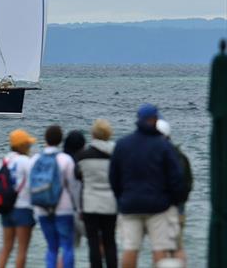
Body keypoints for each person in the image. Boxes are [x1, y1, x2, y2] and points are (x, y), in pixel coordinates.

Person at [109, 104, 186, 268]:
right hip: (158, 206)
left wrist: (121, 198)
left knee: (130, 249)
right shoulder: (164, 146)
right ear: (155, 120)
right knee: (160, 248)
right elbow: (176, 178)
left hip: (130, 204)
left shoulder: (122, 144)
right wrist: (173, 200)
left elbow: (113, 177)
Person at [30, 125, 76, 268]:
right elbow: (73, 187)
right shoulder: (66, 159)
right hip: (64, 209)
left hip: (42, 207)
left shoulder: (35, 159)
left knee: (51, 247)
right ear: (61, 140)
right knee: (67, 246)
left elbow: (30, 186)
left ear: (45, 139)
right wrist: (78, 208)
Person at [75, 119, 118, 268]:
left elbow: (77, 175)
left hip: (90, 204)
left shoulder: (83, 156)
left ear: (93, 134)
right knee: (110, 243)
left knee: (93, 243)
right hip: (110, 204)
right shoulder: (116, 156)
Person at [0, 129, 36, 268]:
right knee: (21, 250)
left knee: (6, 248)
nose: (30, 146)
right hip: (23, 208)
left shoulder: (5, 160)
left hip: (6, 207)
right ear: (23, 145)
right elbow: (34, 182)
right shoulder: (25, 161)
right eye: (28, 144)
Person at [156, 118, 193, 266]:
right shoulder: (181, 156)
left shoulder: (155, 156)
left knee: (160, 248)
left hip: (159, 208)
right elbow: (189, 182)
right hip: (178, 208)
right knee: (177, 246)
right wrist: (181, 201)